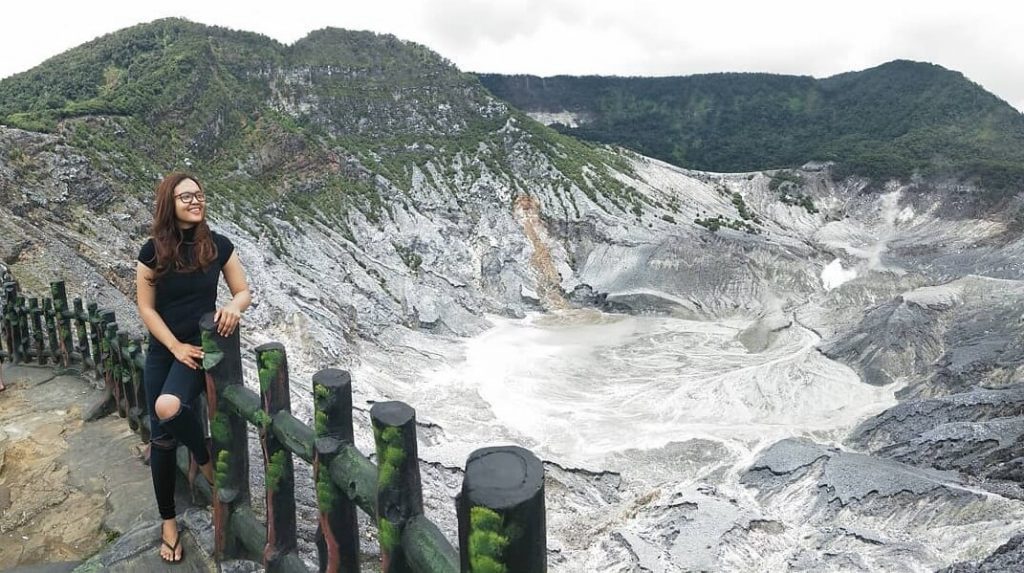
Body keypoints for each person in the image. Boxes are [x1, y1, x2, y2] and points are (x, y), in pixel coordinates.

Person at [136, 172, 251, 563]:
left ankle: (202, 457)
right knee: (162, 441)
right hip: (164, 351)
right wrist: (173, 345)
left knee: (167, 409)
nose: (195, 201)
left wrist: (232, 308)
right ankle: (168, 523)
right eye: (186, 196)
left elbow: (242, 291)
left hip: (200, 351)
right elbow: (146, 308)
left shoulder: (217, 246)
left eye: (199, 195)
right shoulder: (151, 252)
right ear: (169, 202)